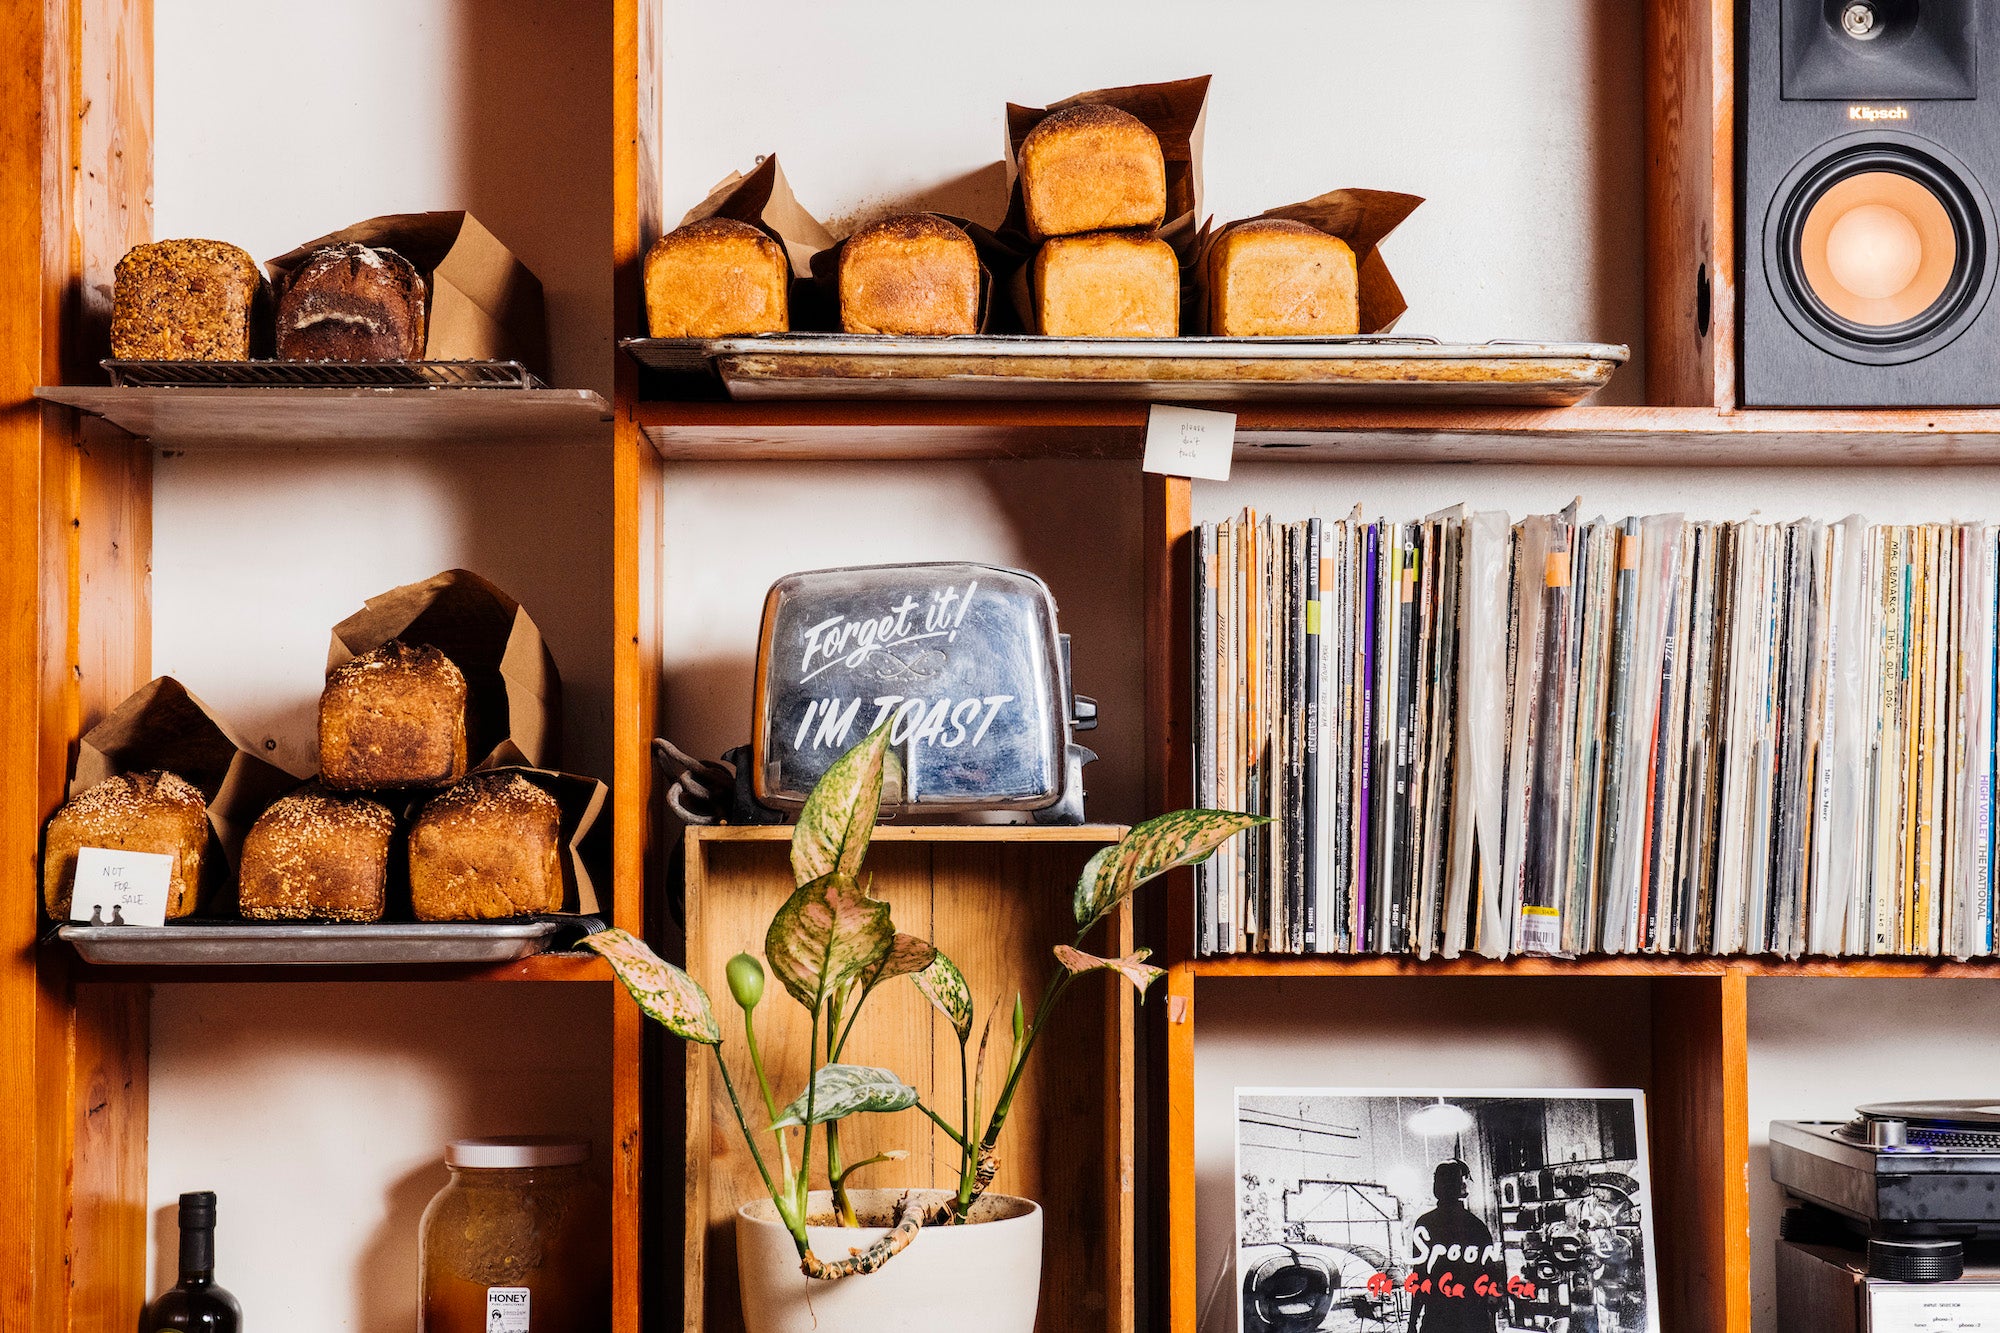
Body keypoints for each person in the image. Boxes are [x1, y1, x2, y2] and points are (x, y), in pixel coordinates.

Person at [1407, 1159, 1505, 1333]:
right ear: (1461, 1186)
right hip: (1473, 1319)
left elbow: (1419, 1276)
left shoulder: (1425, 1224)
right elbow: (1492, 1277)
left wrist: (1412, 1322)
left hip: (1437, 1319)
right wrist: (1491, 1323)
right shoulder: (1476, 1226)